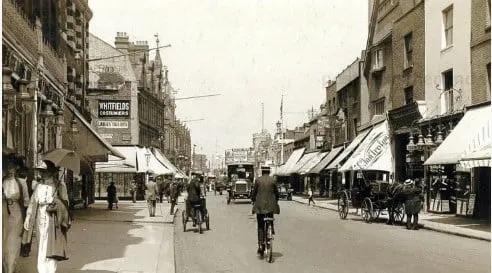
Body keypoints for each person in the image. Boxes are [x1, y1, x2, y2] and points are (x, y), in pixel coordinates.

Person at [24, 160, 70, 273]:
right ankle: (41, 270)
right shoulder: (38, 186)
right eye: (41, 171)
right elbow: (32, 202)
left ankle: (50, 270)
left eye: (45, 171)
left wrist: (55, 201)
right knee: (41, 246)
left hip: (54, 219)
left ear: (52, 172)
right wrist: (28, 217)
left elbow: (66, 203)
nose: (42, 174)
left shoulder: (60, 185)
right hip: (40, 217)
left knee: (52, 246)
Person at [2, 154, 30, 273]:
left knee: (12, 241)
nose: (9, 170)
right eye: (7, 167)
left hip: (16, 213)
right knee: (3, 240)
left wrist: (28, 218)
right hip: (3, 212)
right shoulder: (2, 181)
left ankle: (11, 269)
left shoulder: (21, 183)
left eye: (12, 167)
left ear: (16, 168)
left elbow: (26, 201)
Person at [251, 167, 280, 255]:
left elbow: (254, 192)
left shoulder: (258, 180)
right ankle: (271, 230)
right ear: (269, 172)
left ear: (262, 171)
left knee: (260, 225)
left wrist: (253, 200)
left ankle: (261, 245)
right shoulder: (273, 180)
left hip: (260, 206)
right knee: (270, 217)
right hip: (271, 205)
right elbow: (276, 193)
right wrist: (276, 200)